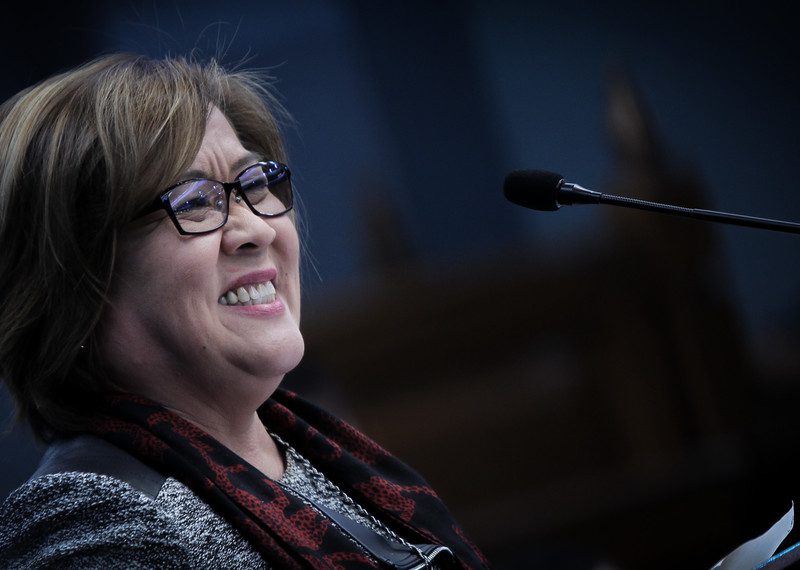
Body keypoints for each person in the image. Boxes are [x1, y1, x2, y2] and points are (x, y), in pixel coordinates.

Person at [0, 53, 489, 569]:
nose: (256, 228)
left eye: (253, 183)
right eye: (191, 201)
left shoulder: (315, 455)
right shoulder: (89, 523)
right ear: (78, 282)